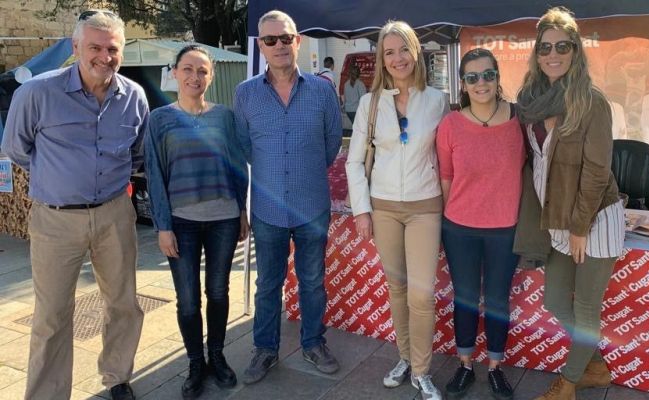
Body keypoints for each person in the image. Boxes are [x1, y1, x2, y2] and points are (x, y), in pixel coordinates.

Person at [1, 9, 147, 400]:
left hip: (115, 215)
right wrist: (60, 177)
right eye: (95, 47)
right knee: (51, 317)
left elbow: (136, 154)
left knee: (123, 305)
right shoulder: (36, 93)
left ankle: (117, 378)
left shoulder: (134, 97)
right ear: (75, 47)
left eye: (112, 48)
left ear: (121, 52)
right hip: (55, 219)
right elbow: (17, 150)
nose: (104, 55)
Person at [515, 7, 624, 400]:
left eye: (563, 46)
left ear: (576, 51)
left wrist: (580, 227)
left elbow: (597, 172)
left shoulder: (591, 102)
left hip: (594, 218)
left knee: (587, 309)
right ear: (537, 53)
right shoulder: (530, 101)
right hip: (557, 217)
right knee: (556, 300)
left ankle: (570, 382)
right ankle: (593, 366)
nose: (553, 54)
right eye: (545, 48)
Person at [234, 10, 342, 385]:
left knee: (312, 281)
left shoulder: (323, 90)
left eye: (285, 38)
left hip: (312, 206)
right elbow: (246, 148)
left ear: (298, 41)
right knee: (267, 283)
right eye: (270, 40)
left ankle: (313, 343)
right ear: (260, 46)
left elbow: (331, 145)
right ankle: (265, 349)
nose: (279, 45)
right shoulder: (245, 94)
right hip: (267, 210)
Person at [345, 20, 449, 400]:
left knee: (421, 295)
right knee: (398, 289)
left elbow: (449, 160)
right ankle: (405, 358)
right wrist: (361, 211)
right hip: (383, 208)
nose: (397, 58)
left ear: (416, 52)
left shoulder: (437, 100)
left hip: (425, 209)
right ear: (381, 59)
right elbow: (354, 162)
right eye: (389, 52)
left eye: (403, 49)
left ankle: (422, 371)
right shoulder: (370, 104)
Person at [144, 45, 248, 399]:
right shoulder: (159, 119)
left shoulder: (224, 117)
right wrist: (162, 225)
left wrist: (242, 212)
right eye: (187, 69)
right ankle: (195, 362)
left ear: (211, 76)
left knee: (218, 292)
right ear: (174, 72)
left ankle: (216, 356)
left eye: (202, 71)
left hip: (223, 217)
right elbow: (155, 175)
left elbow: (237, 166)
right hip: (181, 223)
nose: (194, 77)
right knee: (187, 300)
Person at [436, 48, 524, 400]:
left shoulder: (519, 119)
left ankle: (496, 367)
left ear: (498, 76)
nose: (481, 83)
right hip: (460, 227)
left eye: (487, 74)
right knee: (466, 298)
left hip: (506, 227)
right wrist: (451, 218)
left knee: (499, 299)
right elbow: (445, 177)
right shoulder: (450, 125)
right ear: (463, 84)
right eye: (472, 77)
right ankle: (465, 365)